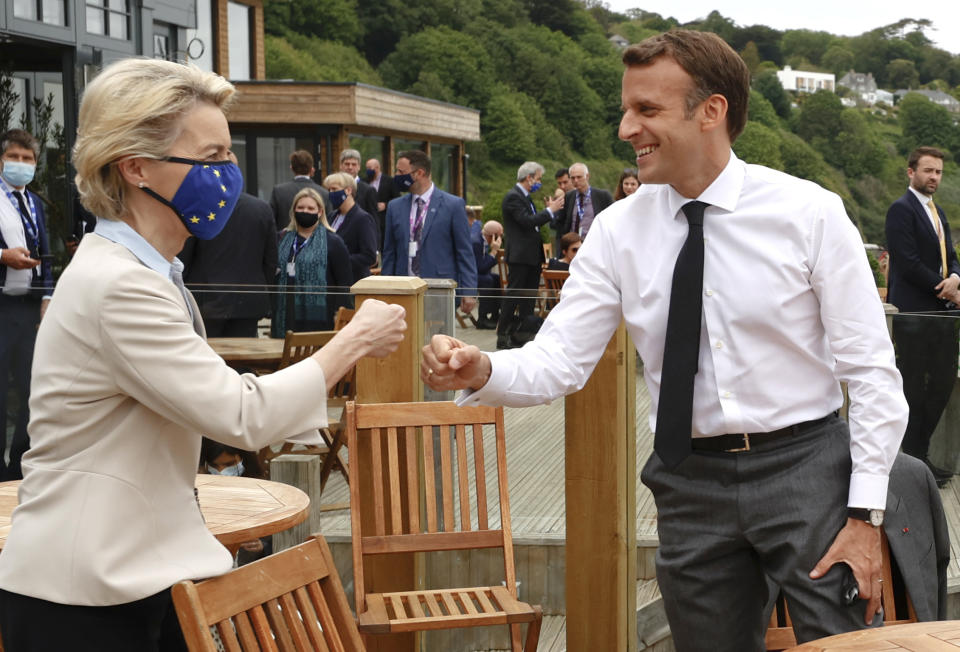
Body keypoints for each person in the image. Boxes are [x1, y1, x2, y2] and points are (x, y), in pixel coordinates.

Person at [421, 30, 907, 650]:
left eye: (646, 110)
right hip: (688, 482)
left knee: (847, 648)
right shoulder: (617, 231)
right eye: (626, 109)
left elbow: (870, 372)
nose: (626, 128)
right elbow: (561, 360)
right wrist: (480, 367)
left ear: (712, 111)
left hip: (809, 472)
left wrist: (866, 515)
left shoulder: (809, 213)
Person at [0, 58, 408, 652]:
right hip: (84, 595)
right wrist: (352, 342)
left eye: (229, 156)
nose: (227, 175)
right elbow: (240, 414)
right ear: (136, 167)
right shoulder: (122, 285)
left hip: (132, 576)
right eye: (210, 158)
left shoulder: (147, 271)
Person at [885, 146, 960, 486]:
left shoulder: (936, 210)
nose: (934, 177)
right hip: (914, 313)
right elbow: (907, 259)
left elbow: (952, 257)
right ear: (910, 172)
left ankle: (918, 452)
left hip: (942, 315)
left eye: (938, 172)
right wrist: (944, 287)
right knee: (912, 388)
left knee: (943, 383)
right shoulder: (900, 210)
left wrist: (956, 279)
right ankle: (914, 461)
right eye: (928, 171)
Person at [0, 128, 54, 481]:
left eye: (28, 159)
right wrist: (3, 256)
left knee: (32, 389)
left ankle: (20, 465)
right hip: (0, 307)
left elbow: (47, 255)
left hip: (28, 310)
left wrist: (47, 297)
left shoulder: (34, 202)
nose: (21, 165)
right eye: (14, 158)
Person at [180, 152, 278, 338]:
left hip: (207, 300)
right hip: (247, 300)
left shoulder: (199, 208)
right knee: (242, 363)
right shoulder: (261, 208)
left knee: (208, 357)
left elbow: (185, 257)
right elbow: (270, 262)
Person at [381, 149, 477, 314]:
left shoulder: (453, 205)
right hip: (403, 292)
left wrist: (469, 291)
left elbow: (464, 252)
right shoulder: (394, 207)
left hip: (439, 290)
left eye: (401, 171)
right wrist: (384, 289)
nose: (396, 175)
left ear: (419, 173)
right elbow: (389, 253)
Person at [496, 161, 563, 349]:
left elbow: (533, 223)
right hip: (520, 255)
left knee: (529, 296)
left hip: (532, 256)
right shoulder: (513, 197)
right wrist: (550, 211)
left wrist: (547, 212)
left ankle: (523, 333)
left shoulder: (526, 197)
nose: (539, 183)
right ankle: (503, 334)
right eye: (538, 179)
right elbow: (526, 221)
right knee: (514, 293)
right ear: (529, 177)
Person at [272, 187, 353, 336]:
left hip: (321, 316)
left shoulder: (333, 242)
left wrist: (341, 316)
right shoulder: (281, 238)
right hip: (285, 312)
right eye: (300, 207)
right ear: (294, 210)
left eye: (310, 208)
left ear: (320, 212)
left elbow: (344, 282)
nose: (305, 211)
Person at [198, 439, 270, 566]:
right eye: (214, 466)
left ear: (244, 459)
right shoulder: (200, 492)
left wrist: (261, 547)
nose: (221, 472)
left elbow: (278, 541)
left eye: (229, 464)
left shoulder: (263, 492)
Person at [323, 172, 378, 284]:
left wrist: (339, 260)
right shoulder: (331, 216)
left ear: (348, 190)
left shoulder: (363, 218)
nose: (331, 193)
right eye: (329, 190)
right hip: (332, 281)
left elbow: (369, 256)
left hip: (353, 282)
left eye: (334, 189)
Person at [268, 149, 332, 234]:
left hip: (284, 241)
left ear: (291, 168)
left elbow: (270, 220)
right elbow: (328, 221)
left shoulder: (279, 191)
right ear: (312, 169)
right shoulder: (324, 193)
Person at [554, 162, 613, 249]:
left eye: (579, 177)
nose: (576, 181)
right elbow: (561, 222)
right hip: (573, 247)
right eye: (573, 178)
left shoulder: (602, 196)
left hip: (595, 244)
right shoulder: (569, 196)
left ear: (587, 176)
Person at [366, 157, 400, 251]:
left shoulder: (389, 181)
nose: (368, 170)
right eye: (367, 168)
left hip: (384, 220)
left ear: (377, 168)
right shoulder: (365, 181)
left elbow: (398, 198)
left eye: (370, 168)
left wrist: (386, 205)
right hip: (370, 218)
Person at [475, 220, 503, 329]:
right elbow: (481, 268)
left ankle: (495, 315)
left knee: (497, 279)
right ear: (493, 236)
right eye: (499, 236)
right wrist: (494, 251)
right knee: (487, 280)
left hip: (477, 272)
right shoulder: (477, 242)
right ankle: (482, 318)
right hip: (468, 276)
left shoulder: (483, 241)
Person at [338, 149, 379, 219]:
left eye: (354, 164)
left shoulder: (368, 190)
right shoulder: (333, 188)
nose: (350, 167)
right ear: (341, 166)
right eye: (347, 164)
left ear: (359, 167)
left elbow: (373, 220)